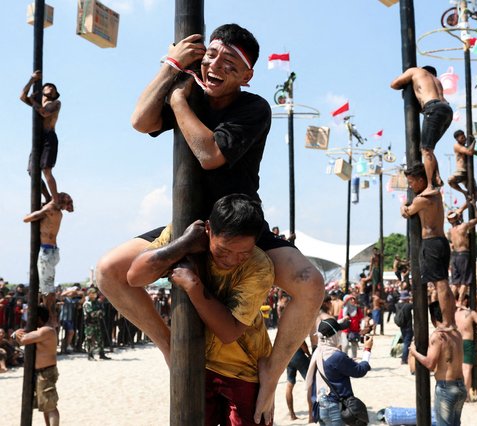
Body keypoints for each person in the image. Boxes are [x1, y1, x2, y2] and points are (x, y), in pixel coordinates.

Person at [96, 23, 324, 424]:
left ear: (247, 75)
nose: (216, 65)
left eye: (230, 63)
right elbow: (140, 120)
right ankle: (170, 348)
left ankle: (274, 369)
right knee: (107, 271)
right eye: (212, 55)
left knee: (310, 282)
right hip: (189, 223)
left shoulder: (253, 107)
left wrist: (181, 100)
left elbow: (209, 153)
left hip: (239, 224)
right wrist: (170, 68)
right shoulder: (188, 84)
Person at [128, 194, 276, 425]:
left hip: (244, 369)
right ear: (208, 229)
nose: (232, 260)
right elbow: (135, 276)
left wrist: (194, 287)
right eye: (224, 251)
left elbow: (229, 332)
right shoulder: (182, 235)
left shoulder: (259, 266)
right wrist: (182, 245)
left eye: (243, 253)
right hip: (197, 363)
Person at [401, 163, 455, 327]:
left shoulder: (421, 199)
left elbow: (406, 213)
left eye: (411, 182)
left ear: (421, 179)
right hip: (442, 241)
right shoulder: (437, 195)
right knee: (443, 282)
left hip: (431, 243)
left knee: (440, 284)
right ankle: (450, 318)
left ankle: (447, 322)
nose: (410, 186)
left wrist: (403, 206)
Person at [391, 67, 453, 193]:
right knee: (429, 148)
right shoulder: (436, 81)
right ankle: (436, 177)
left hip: (433, 108)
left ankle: (430, 186)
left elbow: (394, 84)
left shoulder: (415, 71)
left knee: (426, 149)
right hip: (447, 111)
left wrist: (406, 85)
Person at [306, 317, 373, 426]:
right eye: (339, 332)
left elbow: (333, 368)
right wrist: (367, 350)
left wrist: (348, 361)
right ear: (333, 335)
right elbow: (360, 371)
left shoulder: (319, 351)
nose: (341, 334)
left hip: (321, 405)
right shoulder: (336, 356)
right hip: (334, 407)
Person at [410, 301, 466, 426]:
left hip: (446, 387)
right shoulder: (457, 333)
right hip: (461, 386)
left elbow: (430, 364)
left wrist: (414, 352)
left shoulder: (438, 336)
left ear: (432, 318)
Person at [23, 193, 74, 323]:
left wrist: (39, 210)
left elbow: (26, 219)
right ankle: (50, 317)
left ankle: (51, 318)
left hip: (46, 252)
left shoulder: (49, 210)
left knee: (47, 290)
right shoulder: (58, 214)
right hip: (53, 251)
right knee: (46, 288)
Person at [20, 70, 62, 204]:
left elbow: (44, 113)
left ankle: (55, 200)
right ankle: (47, 197)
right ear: (42, 90)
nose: (51, 89)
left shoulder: (56, 103)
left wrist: (33, 101)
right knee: (32, 171)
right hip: (38, 139)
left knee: (46, 170)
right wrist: (32, 80)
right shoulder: (36, 103)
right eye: (49, 86)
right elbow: (22, 96)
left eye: (54, 89)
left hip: (49, 137)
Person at [15, 305, 60, 426]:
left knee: (50, 406)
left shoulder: (46, 330)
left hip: (46, 372)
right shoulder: (42, 330)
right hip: (40, 372)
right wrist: (17, 334)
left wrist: (16, 333)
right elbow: (22, 340)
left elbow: (23, 339)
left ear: (38, 318)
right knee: (45, 406)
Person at [448, 199, 477, 304]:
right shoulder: (463, 227)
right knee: (465, 282)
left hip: (454, 256)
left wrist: (458, 211)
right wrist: (474, 206)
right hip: (463, 255)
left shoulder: (450, 231)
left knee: (455, 283)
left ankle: (452, 303)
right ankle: (460, 302)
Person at [455, 294, 477, 401]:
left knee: (457, 369)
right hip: (467, 341)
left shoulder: (454, 314)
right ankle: (466, 395)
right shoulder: (470, 313)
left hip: (456, 341)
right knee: (467, 369)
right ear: (466, 300)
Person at [447, 130, 477, 201]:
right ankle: (464, 192)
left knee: (475, 196)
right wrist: (474, 142)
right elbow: (469, 152)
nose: (465, 139)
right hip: (461, 172)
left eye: (464, 137)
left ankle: (461, 209)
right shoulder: (457, 146)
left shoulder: (467, 147)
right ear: (457, 139)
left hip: (468, 174)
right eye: (462, 138)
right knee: (450, 180)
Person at [83, 288, 110, 361]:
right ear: (89, 294)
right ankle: (90, 355)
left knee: (100, 339)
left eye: (95, 293)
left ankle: (101, 354)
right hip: (89, 325)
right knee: (90, 340)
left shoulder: (97, 302)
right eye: (93, 293)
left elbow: (102, 311)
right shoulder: (87, 303)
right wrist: (98, 312)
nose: (95, 294)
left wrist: (101, 313)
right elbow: (91, 314)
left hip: (97, 324)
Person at [395, 291, 414, 365]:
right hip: (408, 326)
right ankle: (404, 359)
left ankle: (405, 356)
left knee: (406, 341)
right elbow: (416, 305)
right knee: (407, 342)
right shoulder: (408, 306)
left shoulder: (397, 305)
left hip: (401, 326)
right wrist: (412, 299)